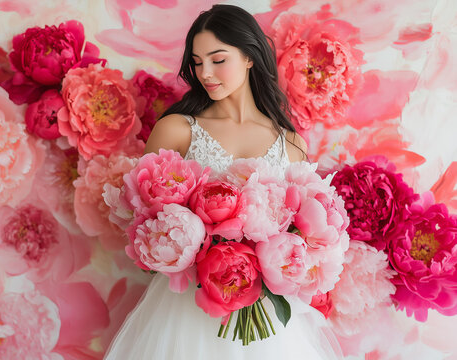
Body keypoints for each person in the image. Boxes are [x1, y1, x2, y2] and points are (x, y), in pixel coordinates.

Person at [105, 4, 343, 359]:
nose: (205, 73)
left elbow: (302, 233)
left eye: (218, 60)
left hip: (266, 319)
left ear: (249, 57)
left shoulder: (290, 143)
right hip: (187, 307)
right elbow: (139, 221)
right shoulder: (177, 129)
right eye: (198, 62)